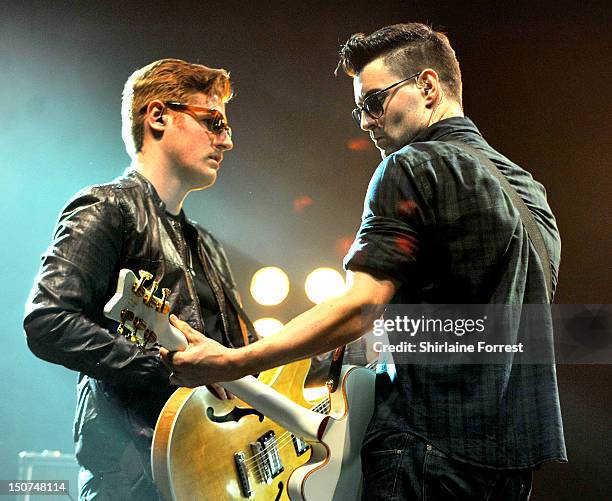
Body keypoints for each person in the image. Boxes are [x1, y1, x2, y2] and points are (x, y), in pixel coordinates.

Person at [162, 24, 567, 500]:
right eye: (360, 109)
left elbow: (361, 306)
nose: (365, 122)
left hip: (422, 454)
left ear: (428, 87)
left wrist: (234, 362)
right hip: (506, 470)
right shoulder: (529, 193)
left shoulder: (412, 166)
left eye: (374, 102)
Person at [23, 58, 256, 500]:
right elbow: (47, 321)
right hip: (132, 482)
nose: (227, 140)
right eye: (213, 122)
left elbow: (241, 357)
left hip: (210, 475)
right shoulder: (107, 208)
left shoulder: (209, 246)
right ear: (158, 116)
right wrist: (164, 368)